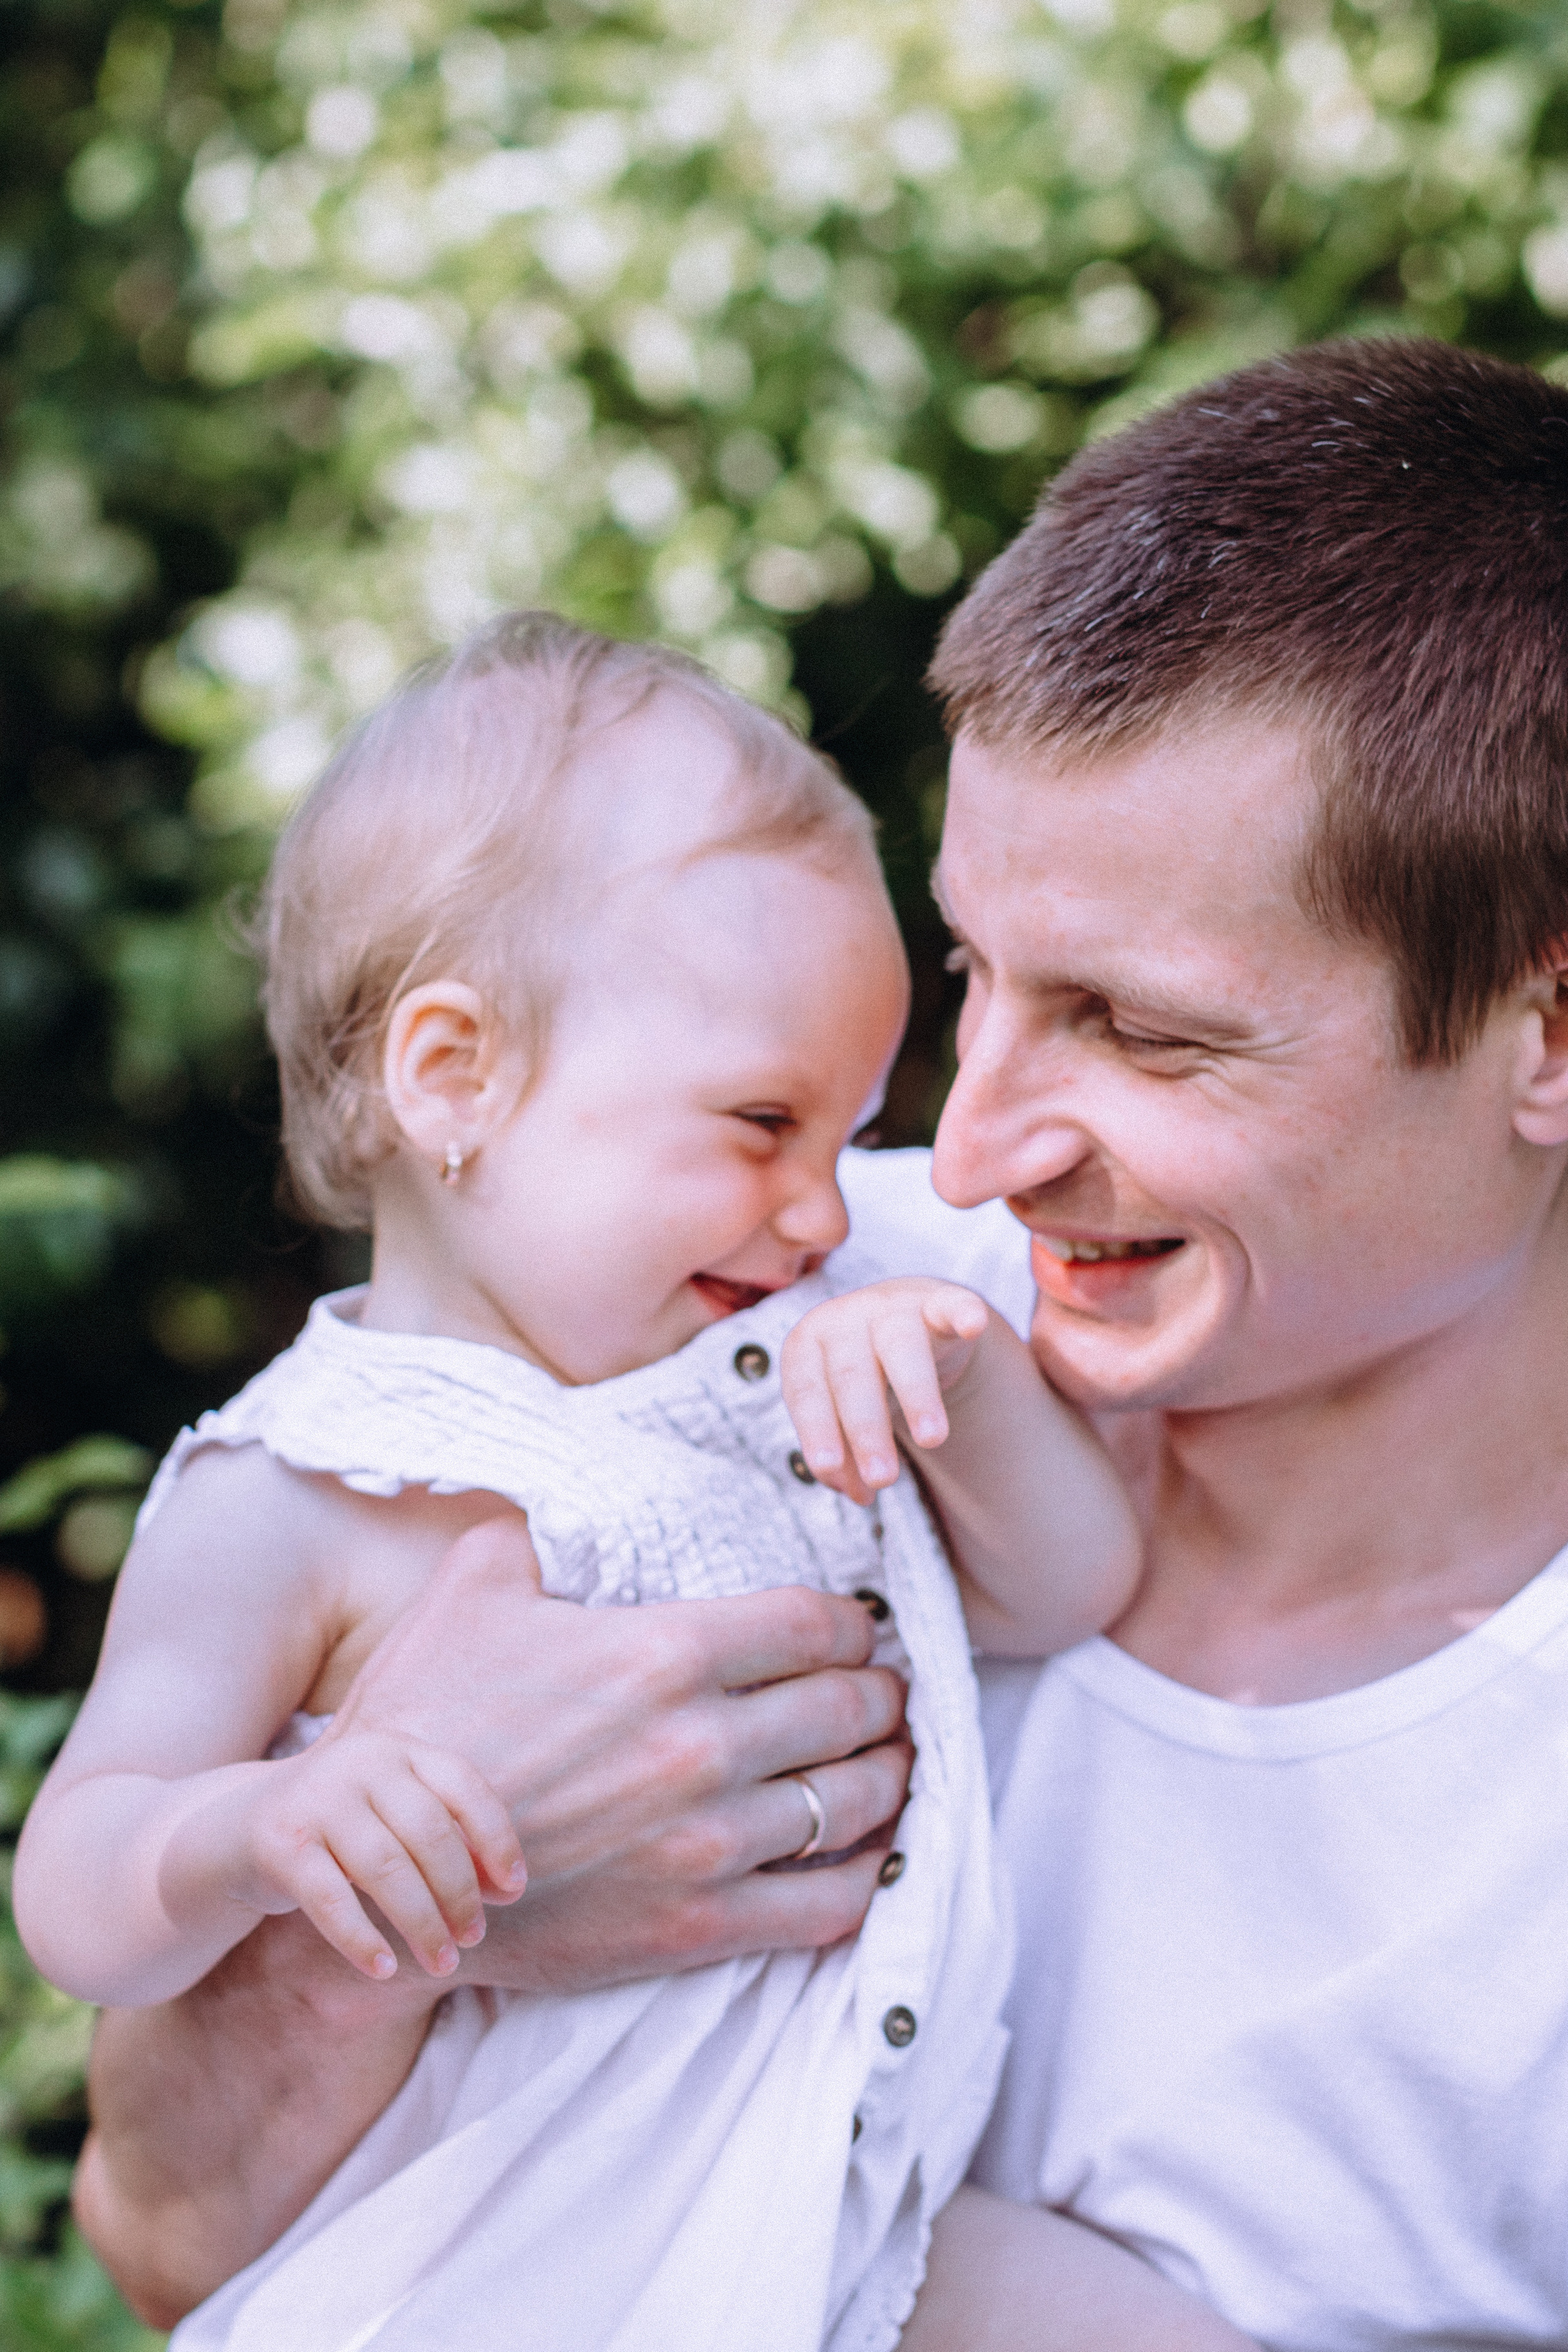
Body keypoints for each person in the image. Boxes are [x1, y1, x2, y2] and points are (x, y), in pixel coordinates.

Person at [75, 331, 1568, 2350]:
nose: (955, 1148)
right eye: (976, 971)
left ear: (1543, 1037)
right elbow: (165, 2241)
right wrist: (421, 1916)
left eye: (1139, 1025)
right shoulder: (715, 1295)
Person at [18, 612, 1157, 2352]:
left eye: (852, 1139)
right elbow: (81, 1896)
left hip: (829, 2208)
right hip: (484, 2278)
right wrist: (253, 1838)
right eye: (761, 1125)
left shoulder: (797, 1354)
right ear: (453, 1077)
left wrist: (961, 1384)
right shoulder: (302, 1488)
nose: (826, 1212)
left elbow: (1070, 1588)